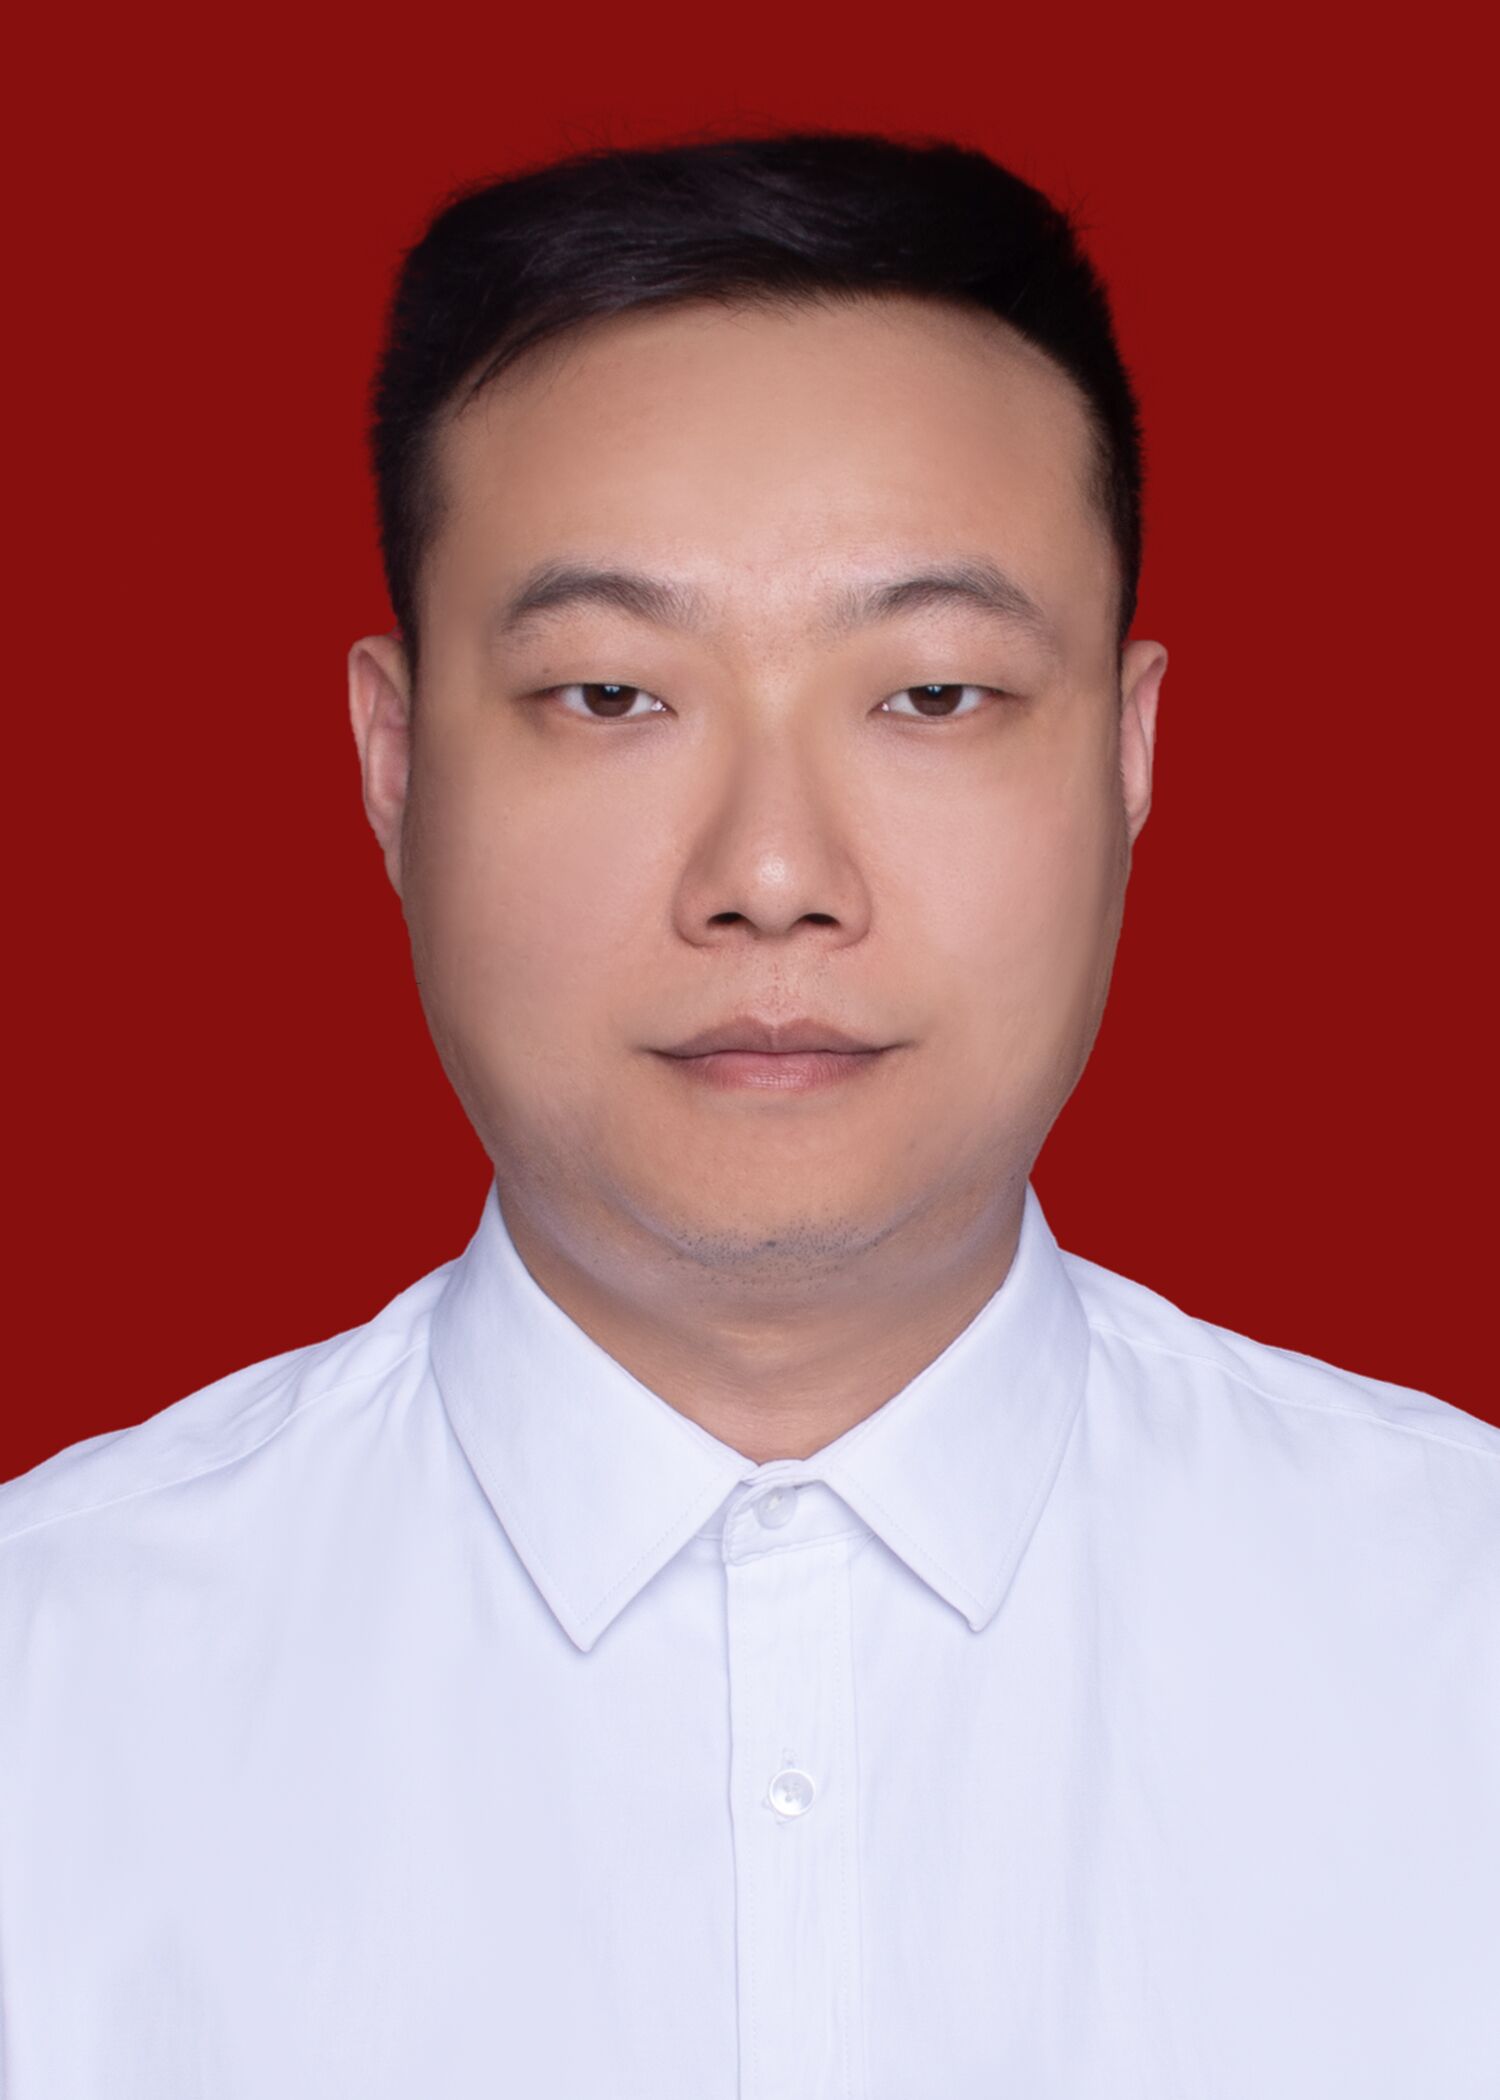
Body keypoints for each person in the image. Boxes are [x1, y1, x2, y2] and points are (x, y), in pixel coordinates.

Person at [1, 129, 1495, 2100]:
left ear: (1131, 752)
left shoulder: (1459, 1634)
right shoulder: (51, 1685)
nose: (773, 875)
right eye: (611, 696)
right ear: (393, 758)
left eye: (933, 695)